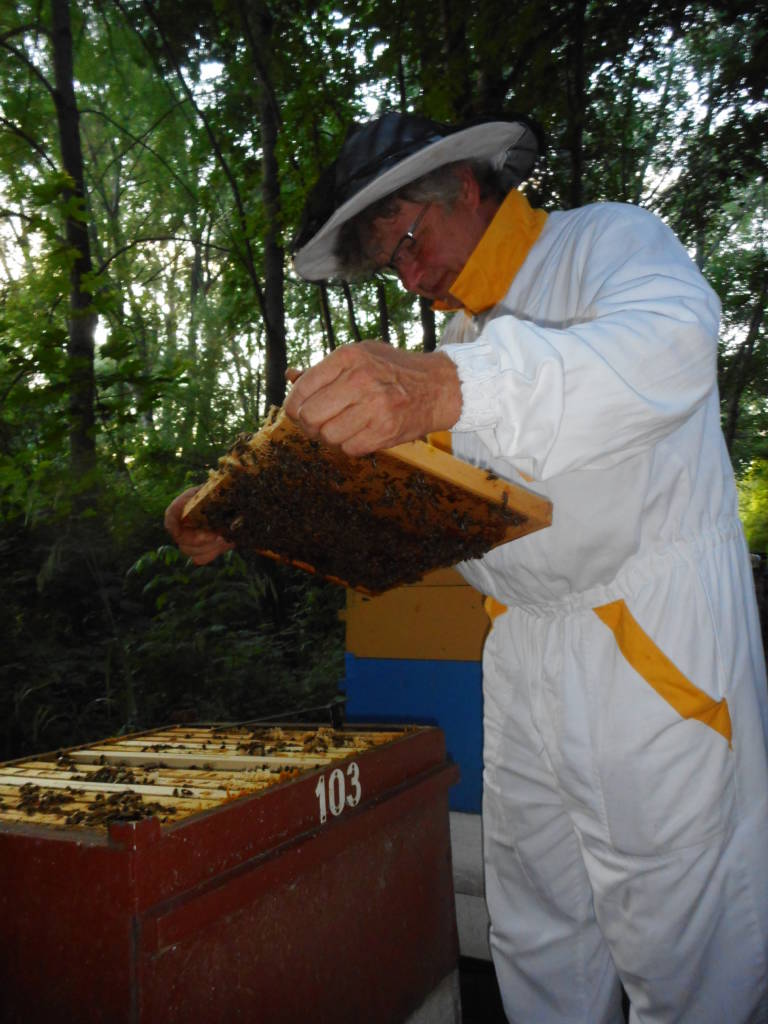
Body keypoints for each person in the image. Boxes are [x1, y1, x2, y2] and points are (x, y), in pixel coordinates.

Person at [165, 112, 768, 1023]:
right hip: (524, 657)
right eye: (390, 263)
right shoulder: (457, 345)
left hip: (652, 649)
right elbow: (415, 509)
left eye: (409, 240)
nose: (410, 275)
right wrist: (238, 510)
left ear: (471, 189)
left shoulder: (605, 241)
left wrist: (449, 391)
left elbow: (675, 344)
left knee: (685, 943)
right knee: (538, 932)